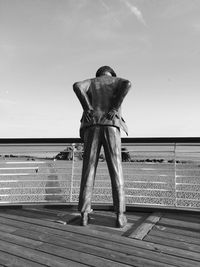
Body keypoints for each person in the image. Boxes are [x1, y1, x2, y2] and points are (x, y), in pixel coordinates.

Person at [73, 66, 131, 227]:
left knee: (88, 169)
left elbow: (77, 86)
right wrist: (114, 107)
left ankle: (84, 214)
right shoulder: (116, 81)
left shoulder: (91, 82)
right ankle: (120, 215)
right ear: (111, 74)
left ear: (98, 74)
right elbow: (127, 84)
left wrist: (87, 107)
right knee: (116, 169)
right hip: (111, 125)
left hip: (91, 126)